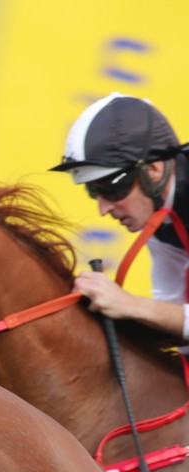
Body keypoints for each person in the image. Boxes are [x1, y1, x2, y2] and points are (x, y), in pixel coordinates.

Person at [50, 93, 189, 340]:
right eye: (93, 191)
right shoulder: (156, 208)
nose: (103, 209)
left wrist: (129, 304)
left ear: (154, 170)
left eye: (111, 188)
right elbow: (171, 307)